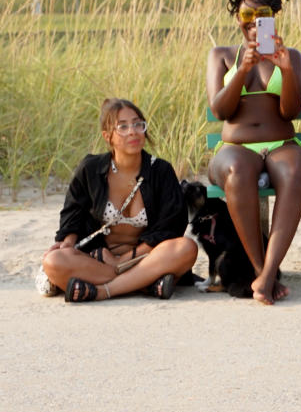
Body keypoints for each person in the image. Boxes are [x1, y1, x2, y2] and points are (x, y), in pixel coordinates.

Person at [205, 0, 301, 305]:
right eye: (246, 14)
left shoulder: (290, 55)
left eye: (261, 14)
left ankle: (267, 274)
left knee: (296, 168)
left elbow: (290, 111)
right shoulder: (222, 56)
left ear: (274, 16)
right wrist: (243, 69)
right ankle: (260, 271)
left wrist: (284, 69)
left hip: (282, 142)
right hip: (236, 147)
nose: (253, 21)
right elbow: (221, 110)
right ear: (237, 16)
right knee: (238, 170)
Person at [40, 98, 198, 302]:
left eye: (137, 124)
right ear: (108, 136)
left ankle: (103, 291)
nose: (133, 131)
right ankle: (144, 284)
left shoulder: (161, 170)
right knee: (53, 261)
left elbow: (172, 225)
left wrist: (123, 261)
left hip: (147, 258)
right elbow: (73, 212)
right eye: (122, 127)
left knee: (186, 248)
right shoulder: (91, 169)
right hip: (99, 261)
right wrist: (67, 243)